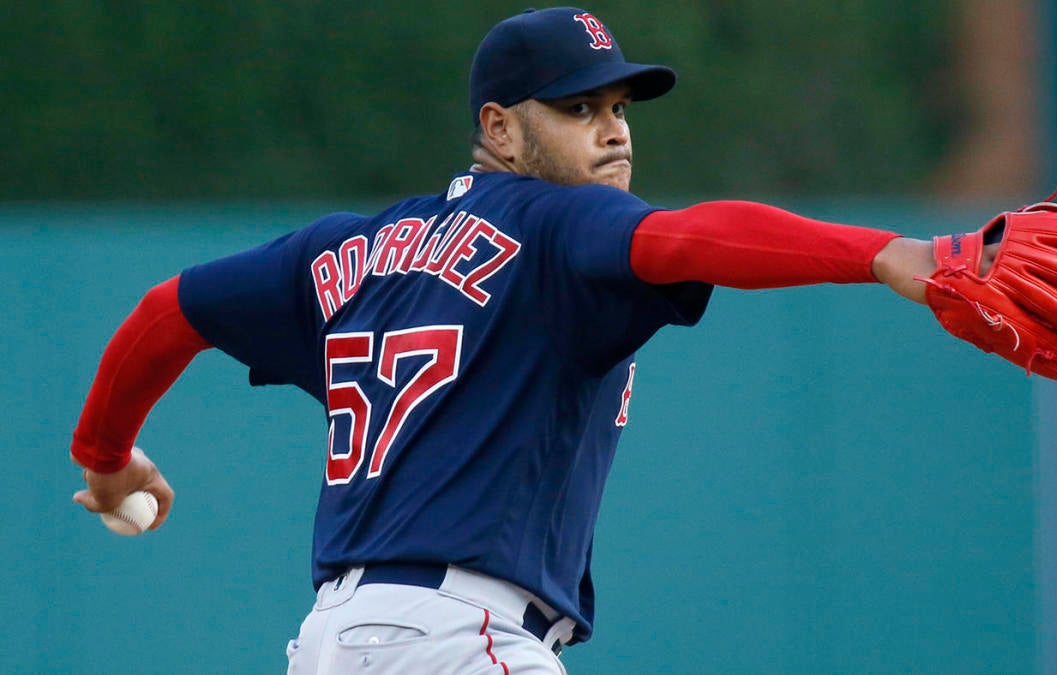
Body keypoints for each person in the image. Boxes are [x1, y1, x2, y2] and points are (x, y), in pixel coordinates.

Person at [69, 7, 984, 674]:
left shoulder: (339, 251)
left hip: (330, 644)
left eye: (621, 105)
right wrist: (888, 253)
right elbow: (687, 236)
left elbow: (166, 312)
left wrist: (105, 456)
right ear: (499, 127)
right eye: (578, 109)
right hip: (462, 641)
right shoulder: (558, 226)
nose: (615, 129)